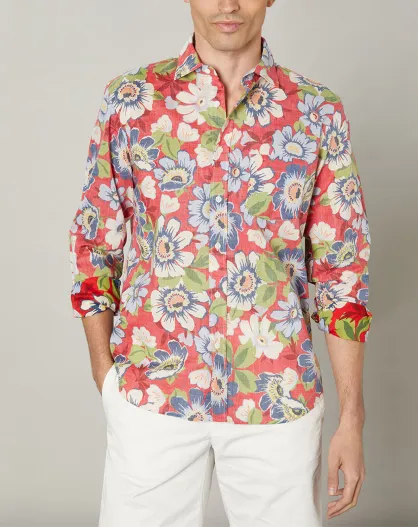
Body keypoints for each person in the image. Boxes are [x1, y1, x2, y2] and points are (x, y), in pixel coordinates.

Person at [68, 1, 373, 525]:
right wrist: (105, 373)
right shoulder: (132, 101)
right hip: (152, 390)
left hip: (276, 395)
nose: (228, 4)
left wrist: (352, 417)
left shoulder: (317, 112)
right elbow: (95, 240)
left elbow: (342, 271)